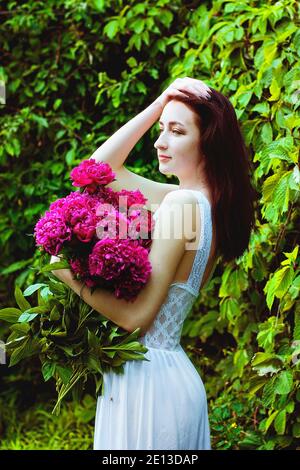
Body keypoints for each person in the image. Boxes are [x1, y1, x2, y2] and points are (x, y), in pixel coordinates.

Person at [51, 77, 257, 450]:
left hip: (150, 385)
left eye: (176, 131)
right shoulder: (199, 204)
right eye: (161, 128)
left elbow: (136, 317)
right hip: (164, 378)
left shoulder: (182, 206)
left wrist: (67, 273)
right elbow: (96, 171)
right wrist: (162, 101)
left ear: (208, 142)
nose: (160, 141)